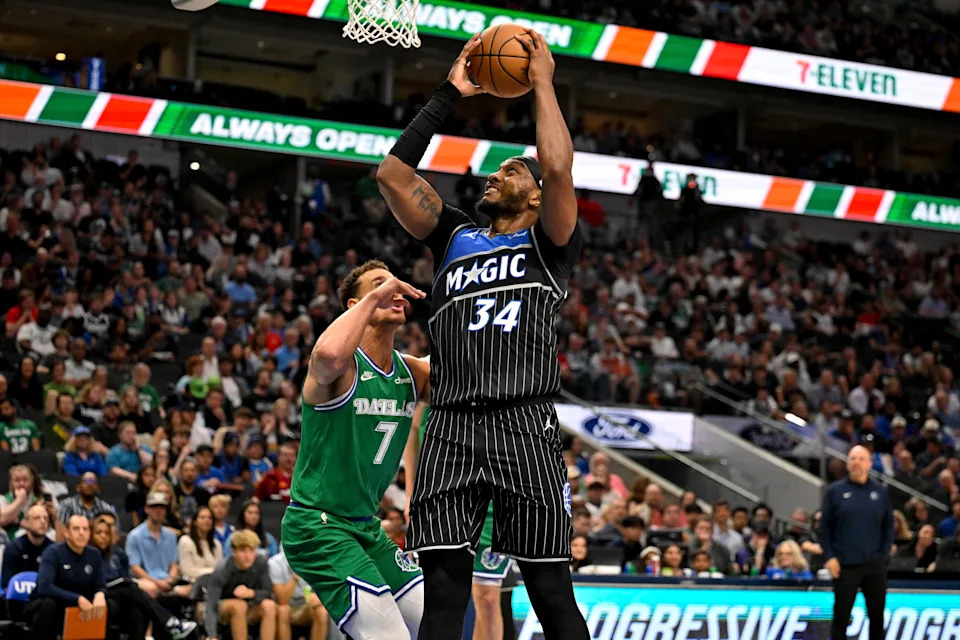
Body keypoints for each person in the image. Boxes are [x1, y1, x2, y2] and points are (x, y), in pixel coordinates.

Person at [376, 30, 589, 640]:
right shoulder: (454, 235)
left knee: (550, 592)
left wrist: (542, 83)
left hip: (525, 421)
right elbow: (392, 174)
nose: (495, 176)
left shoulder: (550, 243)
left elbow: (556, 164)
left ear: (537, 195)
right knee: (445, 594)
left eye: (510, 170)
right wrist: (449, 93)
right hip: (449, 424)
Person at [281, 260, 428, 640]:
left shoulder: (410, 373)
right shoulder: (338, 370)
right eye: (379, 284)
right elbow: (329, 355)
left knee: (437, 618)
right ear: (353, 306)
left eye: (394, 282)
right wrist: (378, 295)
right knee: (389, 636)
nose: (393, 288)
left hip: (366, 527)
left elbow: (470, 372)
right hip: (317, 525)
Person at [820, 445, 893, 640]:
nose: (856, 463)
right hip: (844, 565)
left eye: (861, 459)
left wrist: (883, 555)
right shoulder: (835, 491)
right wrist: (830, 556)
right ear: (847, 463)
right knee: (841, 619)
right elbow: (824, 528)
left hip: (874, 565)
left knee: (877, 618)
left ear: (870, 463)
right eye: (852, 458)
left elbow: (889, 527)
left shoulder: (880, 492)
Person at [90, 515, 197, 640]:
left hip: (122, 592)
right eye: (98, 533)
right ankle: (170, 622)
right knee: (131, 587)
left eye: (107, 533)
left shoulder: (117, 554)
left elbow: (126, 575)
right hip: (102, 593)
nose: (103, 536)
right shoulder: (90, 554)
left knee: (137, 611)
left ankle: (160, 629)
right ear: (91, 534)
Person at [29, 514, 108, 640]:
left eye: (85, 529)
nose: (81, 533)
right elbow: (45, 586)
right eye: (76, 529)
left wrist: (100, 594)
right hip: (50, 605)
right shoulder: (53, 552)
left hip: (80, 605)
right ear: (67, 533)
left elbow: (100, 584)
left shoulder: (94, 554)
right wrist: (77, 598)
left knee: (109, 604)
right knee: (48, 605)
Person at [205, 530, 277, 640]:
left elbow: (268, 592)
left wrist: (251, 593)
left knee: (269, 606)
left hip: (249, 606)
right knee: (239, 606)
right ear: (233, 551)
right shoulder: (223, 568)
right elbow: (211, 604)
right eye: (243, 551)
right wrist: (212, 635)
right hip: (223, 608)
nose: (248, 556)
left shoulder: (261, 562)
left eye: (252, 550)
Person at [125, 491, 181, 599]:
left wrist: (171, 579)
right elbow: (135, 569)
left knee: (193, 588)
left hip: (167, 581)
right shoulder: (134, 536)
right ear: (147, 509)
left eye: (162, 507)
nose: (158, 510)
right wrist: (158, 583)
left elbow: (174, 564)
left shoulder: (171, 536)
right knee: (151, 589)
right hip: (145, 582)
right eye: (154, 507)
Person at [2, 503, 52, 620]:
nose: (42, 521)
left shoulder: (53, 550)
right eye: (37, 518)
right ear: (26, 523)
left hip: (44, 603)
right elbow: (7, 583)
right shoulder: (14, 548)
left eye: (46, 518)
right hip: (18, 603)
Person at [269, 547, 329, 640]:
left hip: (305, 606)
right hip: (287, 606)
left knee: (322, 610)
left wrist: (319, 598)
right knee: (283, 610)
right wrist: (296, 574)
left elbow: (326, 589)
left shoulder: (316, 559)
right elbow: (282, 600)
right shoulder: (275, 563)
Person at [56, 472, 115, 540]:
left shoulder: (106, 508)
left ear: (98, 488)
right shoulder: (66, 506)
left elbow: (114, 536)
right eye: (86, 481)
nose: (90, 484)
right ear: (78, 487)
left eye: (93, 481)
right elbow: (60, 535)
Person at [178, 505, 224, 581]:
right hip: (192, 582)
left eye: (210, 518)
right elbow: (188, 570)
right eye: (202, 517)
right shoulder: (186, 541)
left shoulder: (216, 544)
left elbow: (220, 568)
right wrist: (213, 571)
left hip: (213, 582)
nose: (207, 520)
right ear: (195, 522)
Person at [1, 464, 44, 537]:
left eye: (25, 480)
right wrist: (19, 500)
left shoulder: (39, 501)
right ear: (11, 482)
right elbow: (2, 520)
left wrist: (17, 520)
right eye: (17, 480)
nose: (21, 483)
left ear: (31, 481)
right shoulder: (3, 499)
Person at [173, 458, 211, 527]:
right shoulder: (173, 491)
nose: (189, 473)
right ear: (181, 472)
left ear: (197, 473)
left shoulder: (204, 494)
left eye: (192, 470)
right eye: (186, 470)